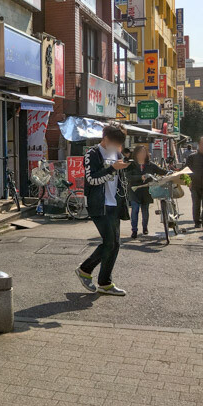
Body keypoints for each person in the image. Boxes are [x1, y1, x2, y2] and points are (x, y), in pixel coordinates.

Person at [75, 123, 131, 296]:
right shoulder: (92, 154)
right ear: (105, 138)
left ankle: (105, 283)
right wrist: (113, 168)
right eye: (115, 142)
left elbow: (119, 178)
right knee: (109, 242)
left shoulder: (117, 153)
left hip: (115, 203)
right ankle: (85, 270)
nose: (117, 147)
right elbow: (91, 179)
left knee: (115, 244)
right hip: (99, 204)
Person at [125, 145, 166, 238]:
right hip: (134, 190)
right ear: (136, 154)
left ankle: (145, 228)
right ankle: (134, 230)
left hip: (146, 191)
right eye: (140, 153)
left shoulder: (150, 164)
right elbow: (128, 177)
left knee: (145, 210)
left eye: (144, 152)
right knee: (135, 210)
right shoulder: (131, 165)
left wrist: (172, 173)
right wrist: (140, 177)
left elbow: (161, 171)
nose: (142, 155)